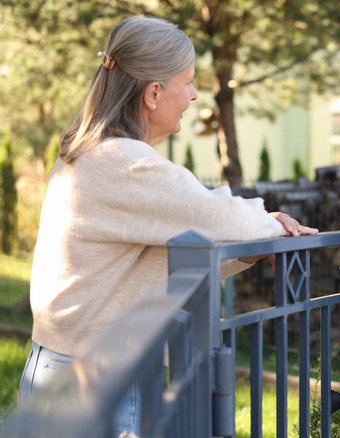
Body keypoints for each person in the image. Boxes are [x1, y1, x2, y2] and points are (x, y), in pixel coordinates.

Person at [17, 16, 317, 438]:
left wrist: (249, 250)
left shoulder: (94, 153)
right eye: (188, 82)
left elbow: (151, 259)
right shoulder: (124, 162)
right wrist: (268, 222)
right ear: (154, 93)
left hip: (70, 367)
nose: (194, 95)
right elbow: (217, 214)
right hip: (95, 380)